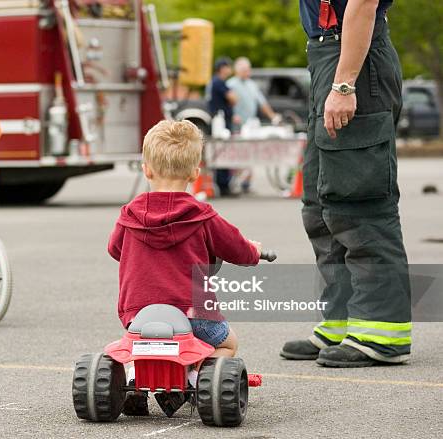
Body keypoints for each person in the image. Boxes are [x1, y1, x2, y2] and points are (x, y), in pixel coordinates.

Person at [280, 0, 412, 367]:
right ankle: (341, 320)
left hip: (354, 58)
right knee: (321, 205)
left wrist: (343, 83)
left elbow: (363, 4)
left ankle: (380, 329)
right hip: (326, 54)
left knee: (359, 202)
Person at [108, 119, 261, 416]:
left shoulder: (128, 214)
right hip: (192, 314)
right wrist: (253, 251)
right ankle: (193, 379)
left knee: (134, 346)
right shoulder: (202, 215)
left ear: (146, 169)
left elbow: (115, 250)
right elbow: (238, 249)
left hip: (138, 315)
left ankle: (133, 378)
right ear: (194, 173)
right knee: (228, 344)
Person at [205, 57, 237, 196]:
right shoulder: (219, 82)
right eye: (228, 66)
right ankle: (223, 185)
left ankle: (222, 184)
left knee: (220, 150)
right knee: (224, 151)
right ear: (222, 68)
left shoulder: (214, 82)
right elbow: (233, 98)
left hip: (219, 121)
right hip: (222, 122)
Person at [226, 57, 281, 130]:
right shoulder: (230, 84)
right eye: (244, 70)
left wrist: (272, 116)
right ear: (237, 70)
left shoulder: (252, 84)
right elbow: (225, 104)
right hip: (235, 125)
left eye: (248, 70)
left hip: (250, 125)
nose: (247, 72)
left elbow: (262, 103)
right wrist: (232, 116)